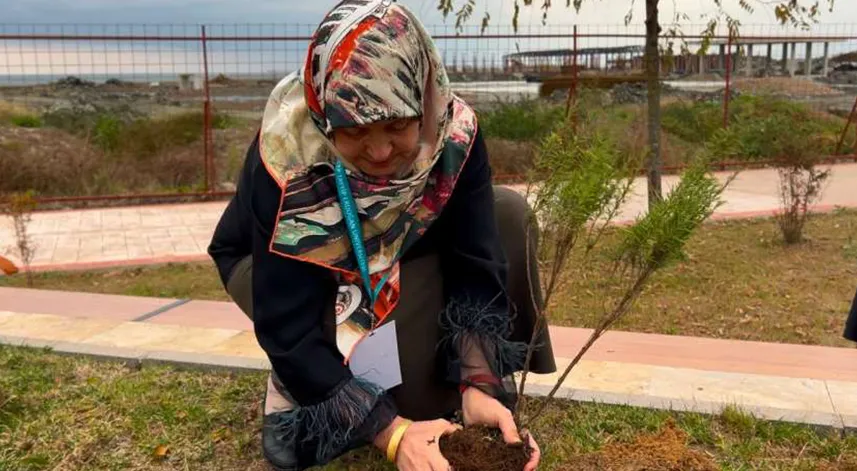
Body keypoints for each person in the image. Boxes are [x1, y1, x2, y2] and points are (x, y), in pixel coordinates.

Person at [208, 1, 555, 469]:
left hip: (391, 256)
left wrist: (477, 380)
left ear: (424, 103)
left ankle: (461, 385)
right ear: (324, 114)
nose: (378, 150)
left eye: (396, 126)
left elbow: (476, 260)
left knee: (507, 212)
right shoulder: (288, 160)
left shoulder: (456, 137)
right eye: (353, 131)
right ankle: (293, 391)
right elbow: (286, 322)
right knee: (375, 400)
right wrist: (391, 434)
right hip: (287, 271)